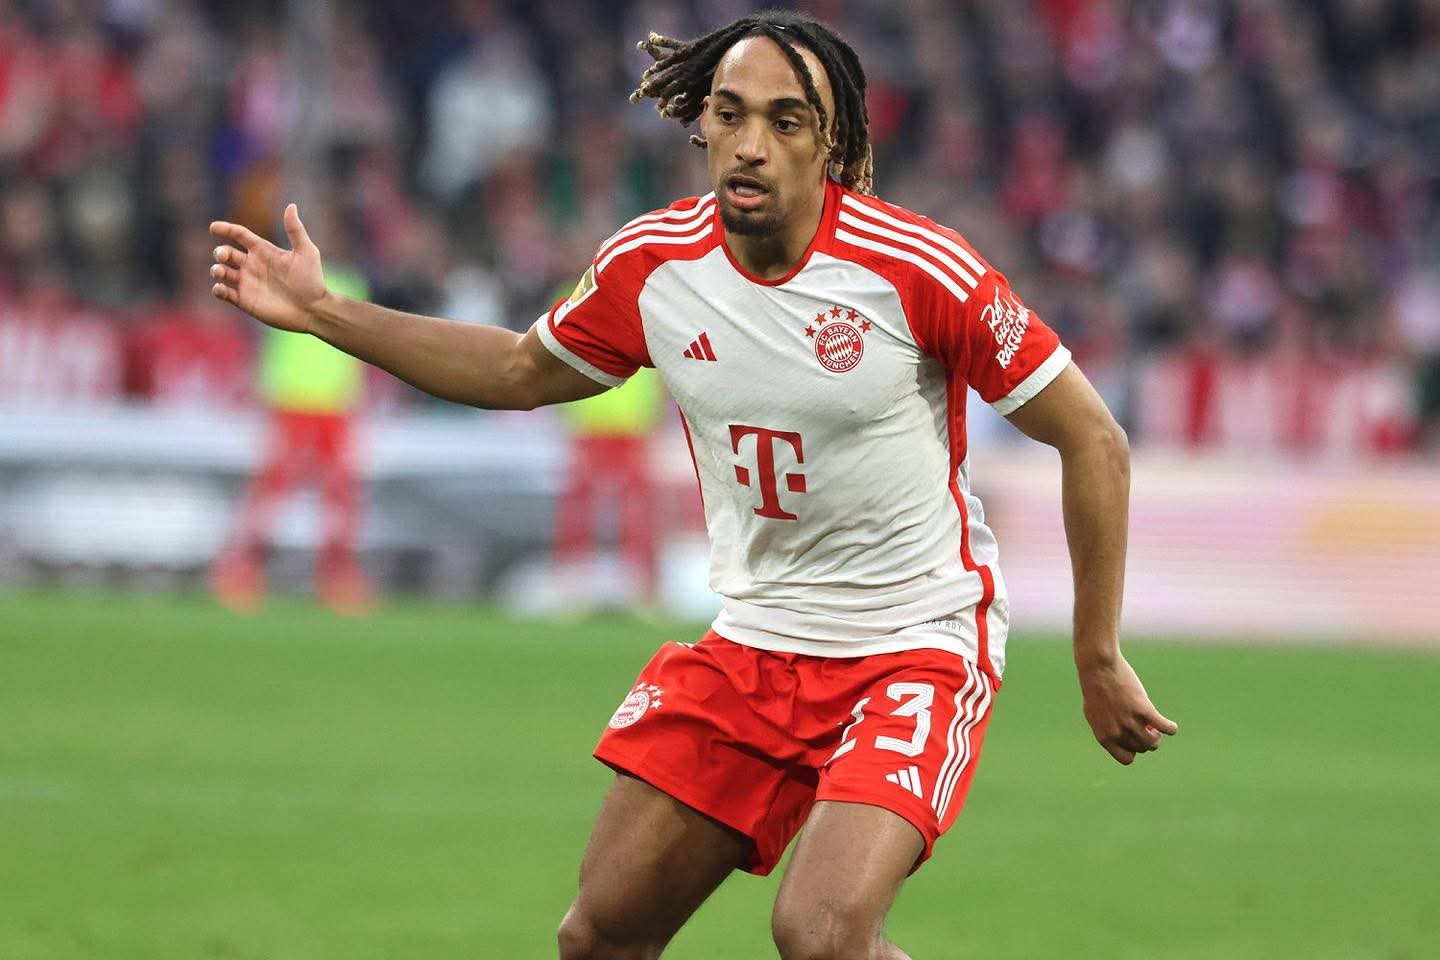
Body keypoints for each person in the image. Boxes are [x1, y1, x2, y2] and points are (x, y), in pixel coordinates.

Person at [208, 12, 1177, 958]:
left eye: (785, 121)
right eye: (729, 113)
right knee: (599, 935)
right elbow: (515, 370)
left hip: (913, 643)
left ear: (830, 144)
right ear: (701, 124)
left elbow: (1094, 439)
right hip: (755, 641)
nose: (750, 145)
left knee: (820, 934)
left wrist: (1096, 654)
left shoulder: (917, 270)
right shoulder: (653, 266)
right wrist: (326, 313)